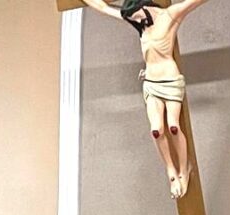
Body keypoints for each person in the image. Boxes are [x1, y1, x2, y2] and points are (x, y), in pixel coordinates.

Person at [79, 0, 212, 199]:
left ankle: (184, 169)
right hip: (151, 83)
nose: (135, 22)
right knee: (157, 131)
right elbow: (104, 8)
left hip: (170, 81)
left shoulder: (169, 16)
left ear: (144, 8)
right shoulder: (140, 24)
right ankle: (171, 172)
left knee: (173, 126)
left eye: (136, 17)